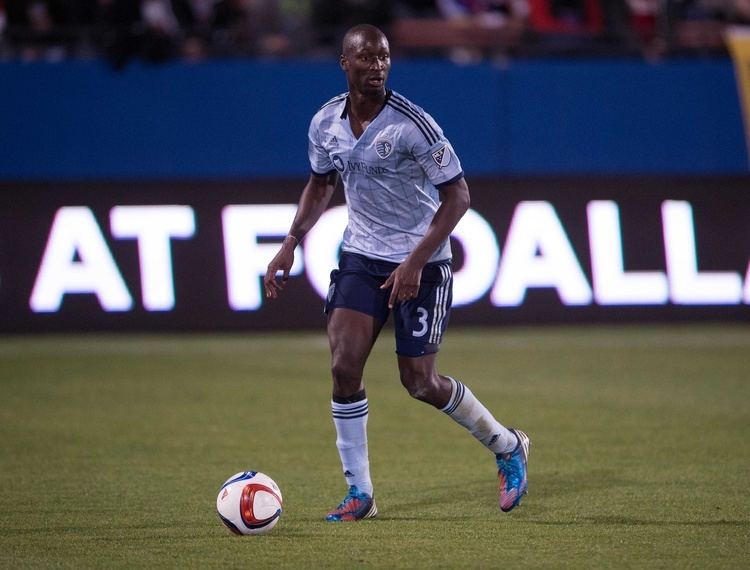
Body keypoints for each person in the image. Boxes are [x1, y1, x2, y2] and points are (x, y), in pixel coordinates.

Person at [263, 23, 530, 521]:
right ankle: (360, 493)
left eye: (384, 57)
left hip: (422, 261)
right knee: (344, 366)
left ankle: (507, 444)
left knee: (420, 383)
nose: (377, 66)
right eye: (365, 58)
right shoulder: (325, 123)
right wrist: (290, 243)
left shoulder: (413, 125)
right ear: (345, 63)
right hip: (362, 256)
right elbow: (320, 184)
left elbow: (459, 196)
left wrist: (414, 261)